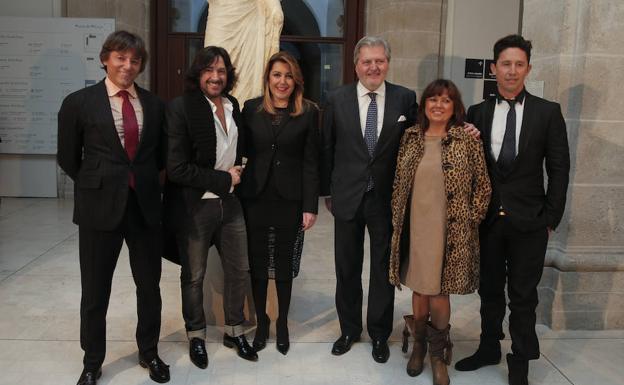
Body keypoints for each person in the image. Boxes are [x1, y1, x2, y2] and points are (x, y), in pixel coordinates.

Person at [454, 35, 570, 385]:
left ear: (528, 69)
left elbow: (560, 168)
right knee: (489, 292)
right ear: (494, 68)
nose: (512, 71)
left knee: (523, 297)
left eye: (519, 64)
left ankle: (520, 361)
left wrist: (551, 217)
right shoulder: (476, 114)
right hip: (487, 221)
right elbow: (468, 168)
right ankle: (488, 348)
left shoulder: (548, 112)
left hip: (531, 223)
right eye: (506, 64)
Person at [57, 31, 169, 385]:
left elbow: (161, 156)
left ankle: (149, 352)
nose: (128, 65)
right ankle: (92, 362)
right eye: (121, 57)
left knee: (149, 287)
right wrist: (99, 182)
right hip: (98, 208)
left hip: (145, 208)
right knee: (95, 291)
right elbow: (68, 157)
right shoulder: (79, 102)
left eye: (135, 60)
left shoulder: (154, 105)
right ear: (106, 58)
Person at [320, 36, 417, 363]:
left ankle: (379, 333)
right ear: (356, 65)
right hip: (347, 195)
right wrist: (328, 191)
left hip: (386, 199)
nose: (374, 67)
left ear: (387, 63)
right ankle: (348, 329)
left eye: (380, 60)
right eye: (367, 61)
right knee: (346, 267)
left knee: (383, 269)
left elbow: (419, 141)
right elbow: (327, 148)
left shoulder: (405, 99)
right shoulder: (336, 98)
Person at [389, 79, 491, 385]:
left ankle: (437, 352)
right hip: (416, 226)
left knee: (440, 291)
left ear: (455, 107)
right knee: (420, 288)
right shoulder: (410, 137)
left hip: (450, 231)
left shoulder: (467, 139)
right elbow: (398, 181)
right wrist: (397, 214)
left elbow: (483, 187)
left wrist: (470, 219)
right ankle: (419, 344)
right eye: (432, 99)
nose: (438, 105)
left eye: (446, 100)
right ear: (423, 106)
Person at [165, 46, 257, 368]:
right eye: (209, 70)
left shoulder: (233, 106)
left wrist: (239, 173)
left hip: (231, 204)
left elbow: (238, 150)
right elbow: (176, 168)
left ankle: (234, 330)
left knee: (239, 270)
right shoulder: (181, 108)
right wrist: (223, 179)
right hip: (195, 207)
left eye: (221, 71)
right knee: (194, 275)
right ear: (198, 73)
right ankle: (197, 336)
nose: (216, 76)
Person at [239, 51, 320, 355]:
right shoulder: (250, 109)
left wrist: (310, 205)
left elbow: (312, 162)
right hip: (255, 197)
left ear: (295, 79)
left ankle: (282, 323)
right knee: (258, 265)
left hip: (291, 199)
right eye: (277, 75)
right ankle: (262, 324)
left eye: (288, 75)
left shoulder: (309, 112)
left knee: (284, 266)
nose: (282, 81)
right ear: (268, 78)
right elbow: (239, 150)